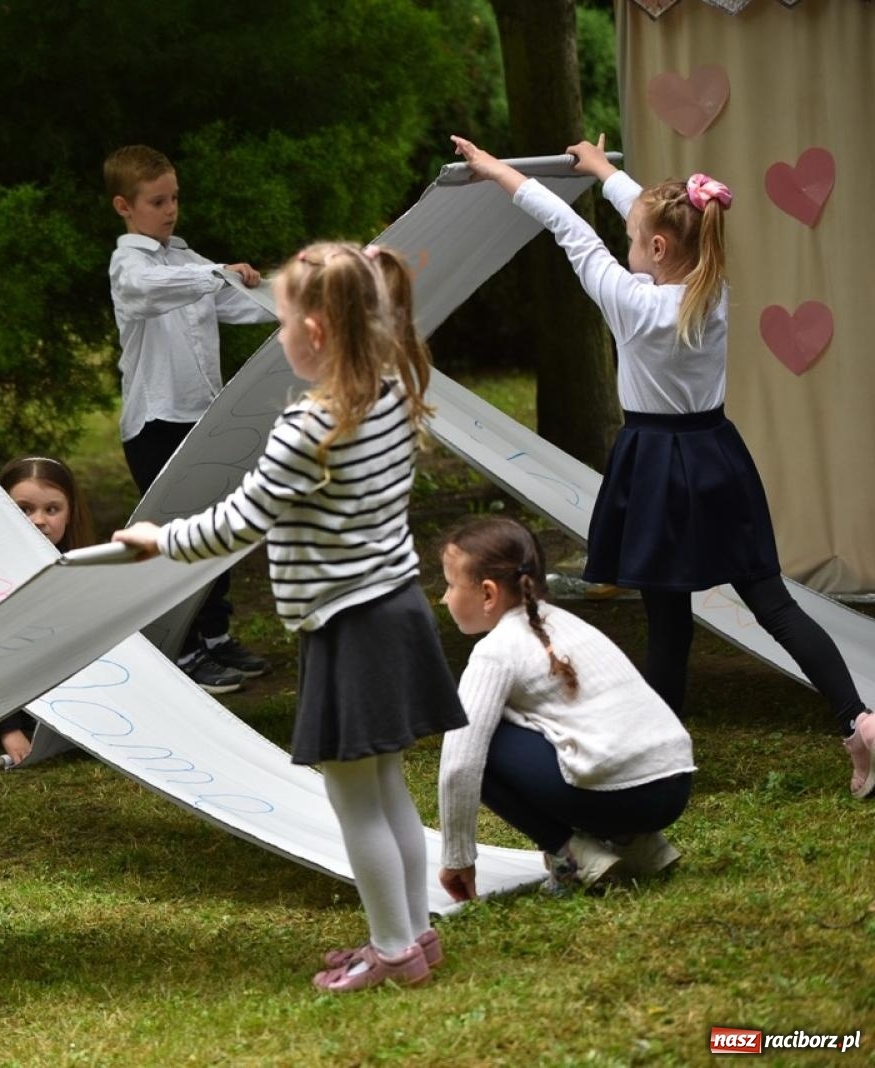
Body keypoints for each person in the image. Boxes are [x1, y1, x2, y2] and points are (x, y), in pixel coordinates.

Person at [450, 134, 875, 799]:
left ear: (657, 248)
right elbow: (656, 221)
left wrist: (497, 169)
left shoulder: (632, 303)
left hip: (655, 464)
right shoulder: (713, 289)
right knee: (773, 603)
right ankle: (861, 722)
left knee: (669, 621)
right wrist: (603, 172)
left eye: (633, 239)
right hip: (717, 455)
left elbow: (565, 228)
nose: (625, 244)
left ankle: (663, 757)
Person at [114, 242, 466, 993]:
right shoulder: (394, 389)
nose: (275, 336)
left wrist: (157, 540)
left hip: (348, 625)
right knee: (387, 786)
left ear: (314, 332)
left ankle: (393, 951)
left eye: (280, 323)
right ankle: (415, 936)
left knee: (354, 800)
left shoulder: (311, 427)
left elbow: (240, 522)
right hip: (395, 609)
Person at [436, 516, 695, 900]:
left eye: (450, 585)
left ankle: (570, 858)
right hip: (675, 786)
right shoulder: (569, 624)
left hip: (624, 797)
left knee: (481, 741)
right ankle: (637, 844)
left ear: (488, 593)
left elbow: (460, 762)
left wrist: (457, 858)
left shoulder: (496, 651)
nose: (444, 598)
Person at [105, 144, 277, 695]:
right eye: (157, 201)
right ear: (124, 206)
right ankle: (181, 652)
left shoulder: (186, 259)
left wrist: (298, 296)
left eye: (174, 197)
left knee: (216, 530)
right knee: (174, 538)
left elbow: (240, 303)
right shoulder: (129, 265)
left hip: (203, 416)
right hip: (156, 424)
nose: (170, 209)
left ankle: (215, 636)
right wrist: (215, 274)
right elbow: (146, 292)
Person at [0, 456, 96, 768]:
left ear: (70, 513)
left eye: (51, 509)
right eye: (24, 509)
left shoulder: (81, 566)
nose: (38, 520)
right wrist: (10, 729)